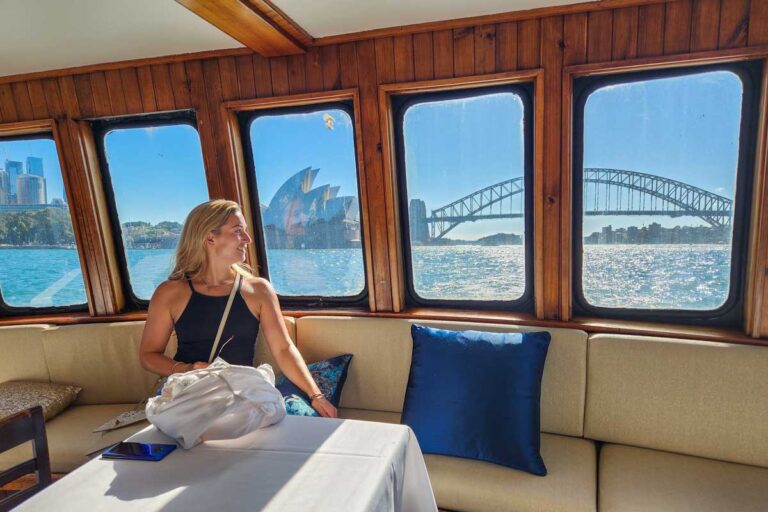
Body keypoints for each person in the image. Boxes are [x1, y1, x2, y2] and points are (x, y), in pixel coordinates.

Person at [139, 199, 337, 418]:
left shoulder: (258, 290)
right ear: (210, 237)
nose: (248, 239)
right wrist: (187, 370)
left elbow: (283, 349)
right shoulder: (169, 293)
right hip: (188, 393)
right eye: (238, 231)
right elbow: (148, 355)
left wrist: (316, 396)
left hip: (239, 395)